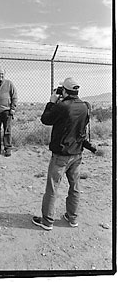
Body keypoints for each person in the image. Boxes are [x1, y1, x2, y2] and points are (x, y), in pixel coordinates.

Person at [32, 77, 98, 231]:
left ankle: (47, 221)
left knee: (53, 187)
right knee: (74, 186)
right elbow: (81, 132)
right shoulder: (85, 106)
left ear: (65, 91)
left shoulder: (62, 107)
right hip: (77, 154)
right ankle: (72, 217)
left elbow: (45, 119)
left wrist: (51, 102)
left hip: (61, 154)